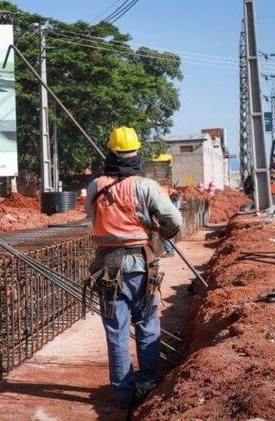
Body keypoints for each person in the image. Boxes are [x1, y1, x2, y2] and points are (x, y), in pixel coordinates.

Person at [85, 126, 182, 408]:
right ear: (136, 152)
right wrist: (156, 227)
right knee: (147, 323)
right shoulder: (146, 186)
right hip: (140, 264)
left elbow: (93, 218)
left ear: (110, 152)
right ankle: (148, 383)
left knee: (116, 330)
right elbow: (173, 221)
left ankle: (123, 393)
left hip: (107, 266)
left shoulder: (95, 186)